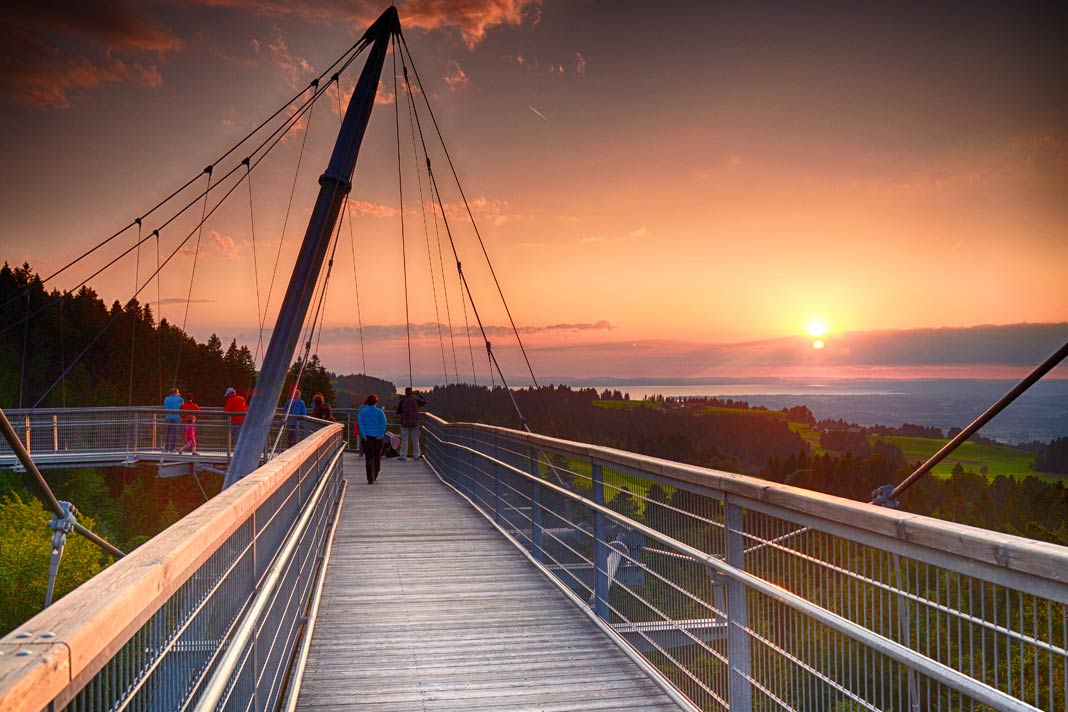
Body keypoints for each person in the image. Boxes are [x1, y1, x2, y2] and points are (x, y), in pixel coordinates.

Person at [357, 394, 387, 484]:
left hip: (367, 437)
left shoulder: (362, 412)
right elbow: (383, 423)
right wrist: (380, 434)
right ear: (376, 402)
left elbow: (360, 423)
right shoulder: (380, 412)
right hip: (378, 438)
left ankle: (369, 477)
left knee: (368, 458)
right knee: (377, 457)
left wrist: (363, 434)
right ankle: (375, 473)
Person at [395, 387, 427, 460]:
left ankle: (403, 456)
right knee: (415, 439)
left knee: (404, 440)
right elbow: (425, 401)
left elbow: (397, 412)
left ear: (405, 393)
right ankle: (417, 455)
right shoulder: (416, 401)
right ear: (412, 393)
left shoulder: (403, 401)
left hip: (405, 423)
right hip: (414, 423)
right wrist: (419, 395)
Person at [163, 388, 184, 452]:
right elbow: (182, 406)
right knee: (174, 434)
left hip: (167, 417)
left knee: (167, 433)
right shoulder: (180, 399)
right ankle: (172, 448)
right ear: (176, 392)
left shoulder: (166, 398)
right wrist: (179, 397)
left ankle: (166, 448)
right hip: (176, 417)